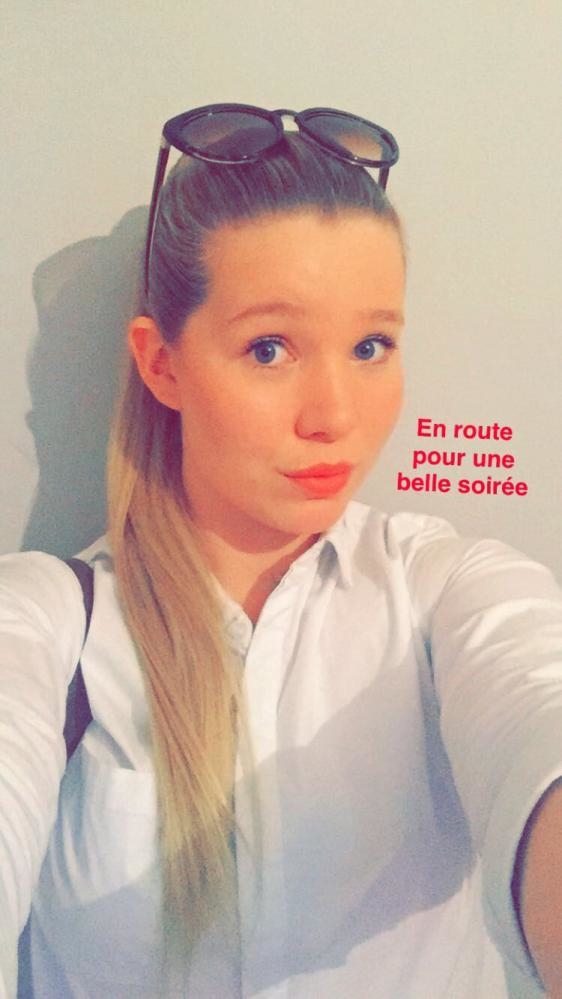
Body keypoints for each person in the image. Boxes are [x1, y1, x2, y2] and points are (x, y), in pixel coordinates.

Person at [1, 104, 561, 998]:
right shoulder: (49, 622)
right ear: (162, 364)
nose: (335, 413)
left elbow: (535, 699)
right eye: (270, 348)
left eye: (371, 345)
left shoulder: (443, 589)